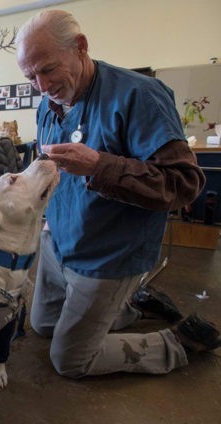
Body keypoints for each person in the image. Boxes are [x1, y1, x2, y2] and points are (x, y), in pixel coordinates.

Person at [15, 10, 219, 378]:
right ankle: (128, 307)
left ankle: (177, 342)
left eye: (48, 69)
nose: (41, 87)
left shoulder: (140, 96)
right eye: (30, 77)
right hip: (58, 243)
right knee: (43, 326)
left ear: (80, 47)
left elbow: (184, 183)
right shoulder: (48, 104)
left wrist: (99, 165)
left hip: (108, 254)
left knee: (70, 360)